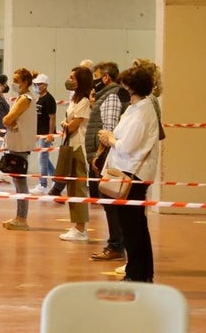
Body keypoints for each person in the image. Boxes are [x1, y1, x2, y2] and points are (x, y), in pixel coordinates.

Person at [97, 66, 161, 283]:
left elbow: (127, 146)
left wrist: (109, 139)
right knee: (136, 227)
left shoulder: (142, 112)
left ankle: (137, 273)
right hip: (127, 171)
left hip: (132, 174)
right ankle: (140, 272)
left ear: (132, 88)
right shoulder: (136, 107)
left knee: (133, 229)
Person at [86, 61, 128, 262]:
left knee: (110, 201)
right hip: (108, 154)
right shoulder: (106, 95)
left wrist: (98, 154)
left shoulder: (111, 96)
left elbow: (108, 129)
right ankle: (117, 244)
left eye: (96, 75)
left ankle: (116, 246)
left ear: (105, 78)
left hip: (108, 155)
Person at [57, 67, 92, 241]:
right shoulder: (74, 99)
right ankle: (76, 225)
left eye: (72, 77)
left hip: (79, 147)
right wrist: (66, 123)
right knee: (71, 187)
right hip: (70, 145)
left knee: (78, 188)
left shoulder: (84, 101)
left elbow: (72, 126)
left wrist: (65, 123)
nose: (69, 80)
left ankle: (81, 228)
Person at [0, 68, 37, 231]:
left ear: (25, 82)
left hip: (20, 145)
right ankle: (19, 216)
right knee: (17, 182)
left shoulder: (25, 99)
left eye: (16, 80)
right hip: (17, 143)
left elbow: (7, 119)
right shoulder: (23, 98)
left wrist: (10, 120)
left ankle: (22, 218)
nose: (13, 83)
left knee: (21, 183)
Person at [32, 74, 57, 194]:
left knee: (42, 158)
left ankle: (43, 184)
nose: (36, 86)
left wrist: (50, 134)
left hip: (46, 134)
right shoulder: (39, 98)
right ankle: (57, 179)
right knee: (45, 158)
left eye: (39, 84)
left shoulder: (49, 99)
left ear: (45, 85)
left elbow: (52, 117)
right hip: (39, 133)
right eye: (35, 84)